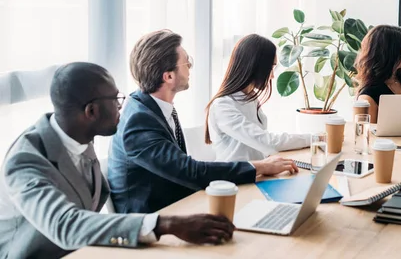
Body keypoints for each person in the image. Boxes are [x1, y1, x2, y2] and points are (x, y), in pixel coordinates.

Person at [0, 62, 237, 259]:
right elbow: (65, 225)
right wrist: (166, 224)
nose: (121, 107)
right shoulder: (25, 160)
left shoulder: (78, 136)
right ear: (91, 111)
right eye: (115, 100)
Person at [108, 30, 298, 214]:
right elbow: (190, 172)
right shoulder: (138, 121)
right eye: (186, 62)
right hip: (153, 220)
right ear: (169, 76)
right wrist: (261, 166)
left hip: (178, 205)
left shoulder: (154, 107)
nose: (190, 66)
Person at [205, 34, 311, 161]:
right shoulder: (222, 106)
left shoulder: (251, 98)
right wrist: (314, 139)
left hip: (259, 173)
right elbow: (267, 142)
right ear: (254, 67)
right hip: (236, 179)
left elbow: (261, 147)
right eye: (270, 68)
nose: (272, 76)